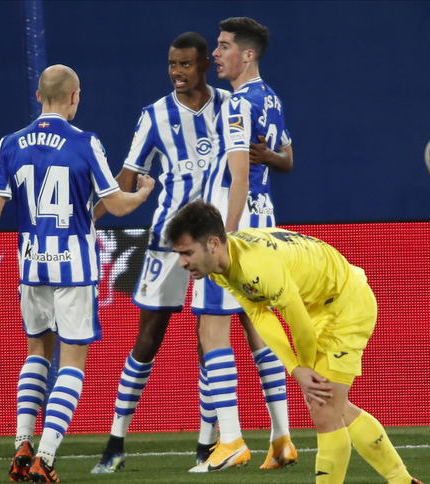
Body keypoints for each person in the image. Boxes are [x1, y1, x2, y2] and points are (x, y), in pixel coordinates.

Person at [90, 31, 292, 474]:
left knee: (215, 334)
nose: (177, 73)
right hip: (169, 240)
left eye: (185, 64)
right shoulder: (156, 115)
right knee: (149, 337)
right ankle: (115, 440)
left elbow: (276, 159)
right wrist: (92, 216)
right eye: (171, 65)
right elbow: (127, 175)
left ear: (203, 64)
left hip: (217, 238)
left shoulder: (231, 102)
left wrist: (270, 161)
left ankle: (210, 442)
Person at [0, 64, 154, 483]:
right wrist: (143, 191)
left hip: (32, 268)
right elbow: (119, 205)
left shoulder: (10, 144)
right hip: (74, 269)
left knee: (37, 353)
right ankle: (47, 458)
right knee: (72, 362)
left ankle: (22, 442)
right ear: (74, 97)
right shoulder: (86, 143)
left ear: (39, 97)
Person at [165, 199, 425, 484]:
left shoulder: (257, 265)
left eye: (187, 253)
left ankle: (397, 478)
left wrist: (303, 369)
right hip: (321, 304)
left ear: (213, 243)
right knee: (332, 404)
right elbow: (260, 315)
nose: (182, 263)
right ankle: (400, 479)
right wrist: (295, 369)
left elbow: (299, 324)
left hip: (345, 303)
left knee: (323, 408)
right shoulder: (223, 263)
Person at [189, 17, 296, 473]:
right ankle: (282, 438)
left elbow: (236, 177)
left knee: (212, 328)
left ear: (247, 55)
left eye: (224, 45)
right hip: (266, 222)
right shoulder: (271, 97)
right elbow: (287, 159)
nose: (215, 53)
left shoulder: (236, 105)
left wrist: (222, 239)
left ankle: (231, 439)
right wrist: (268, 158)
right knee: (258, 327)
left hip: (237, 224)